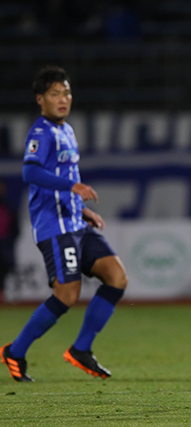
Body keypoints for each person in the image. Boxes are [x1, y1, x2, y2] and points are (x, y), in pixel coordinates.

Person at [1, 66, 128, 382]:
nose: (62, 99)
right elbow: (30, 172)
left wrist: (82, 210)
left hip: (75, 222)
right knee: (67, 294)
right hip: (54, 227)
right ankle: (15, 351)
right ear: (40, 99)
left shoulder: (67, 130)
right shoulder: (41, 133)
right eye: (54, 94)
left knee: (116, 277)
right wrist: (73, 188)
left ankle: (81, 349)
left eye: (66, 93)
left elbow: (63, 175)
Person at [0, 180, 19, 302]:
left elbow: (15, 230)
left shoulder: (8, 207)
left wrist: (8, 242)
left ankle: (2, 297)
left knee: (3, 273)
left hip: (4, 247)